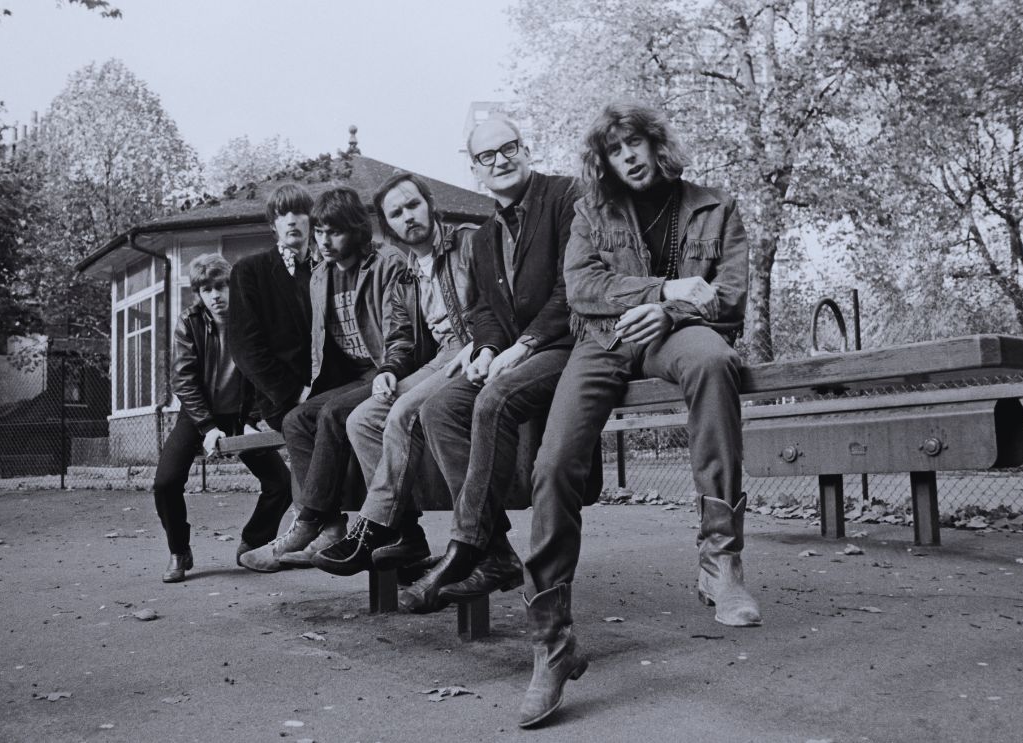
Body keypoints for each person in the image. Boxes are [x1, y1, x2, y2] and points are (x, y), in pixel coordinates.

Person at [517, 101, 758, 728]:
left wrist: (672, 313)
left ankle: (721, 560)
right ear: (603, 161)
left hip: (676, 336)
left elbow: (729, 299)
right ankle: (552, 641)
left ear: (657, 145)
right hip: (601, 341)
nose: (627, 157)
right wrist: (667, 289)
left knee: (714, 361)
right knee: (554, 463)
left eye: (636, 144)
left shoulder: (716, 206)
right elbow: (582, 290)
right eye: (613, 150)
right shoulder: (590, 212)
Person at [399, 116, 579, 614]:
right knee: (440, 408)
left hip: (569, 345)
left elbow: (574, 288)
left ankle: (464, 548)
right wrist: (483, 350)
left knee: (494, 400)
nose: (500, 161)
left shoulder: (567, 197)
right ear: (474, 168)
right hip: (514, 355)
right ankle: (496, 551)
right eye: (486, 156)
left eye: (509, 149)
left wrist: (521, 346)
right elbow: (484, 312)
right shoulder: (481, 238)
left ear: (526, 150)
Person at [238, 187, 414, 572]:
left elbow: (402, 332)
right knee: (297, 419)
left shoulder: (388, 262)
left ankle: (305, 524)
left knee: (334, 413)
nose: (323, 240)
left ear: (355, 229)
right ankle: (328, 524)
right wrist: (306, 391)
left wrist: (389, 370)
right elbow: (323, 345)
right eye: (319, 231)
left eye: (332, 231)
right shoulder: (321, 275)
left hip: (390, 369)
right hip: (353, 375)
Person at [311, 173, 477, 576]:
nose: (408, 217)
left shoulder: (469, 241)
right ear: (388, 225)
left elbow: (499, 300)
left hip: (477, 347)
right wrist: (387, 370)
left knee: (403, 413)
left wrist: (484, 342)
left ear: (430, 204)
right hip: (442, 355)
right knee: (362, 418)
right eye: (396, 213)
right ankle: (402, 532)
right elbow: (400, 334)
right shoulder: (406, 270)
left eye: (413, 205)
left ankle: (373, 527)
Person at [151, 254, 294, 583]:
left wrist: (253, 418)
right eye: (206, 289)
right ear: (198, 294)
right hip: (199, 415)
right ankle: (178, 551)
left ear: (233, 286)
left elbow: (265, 373)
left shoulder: (252, 319)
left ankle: (252, 544)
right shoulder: (189, 322)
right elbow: (183, 380)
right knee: (166, 482)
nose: (215, 295)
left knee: (281, 484)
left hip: (241, 414)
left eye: (221, 286)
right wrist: (208, 427)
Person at [226, 183, 316, 565]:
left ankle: (379, 534)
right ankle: (316, 525)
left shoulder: (327, 268)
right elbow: (246, 347)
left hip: (330, 385)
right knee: (309, 421)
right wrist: (293, 391)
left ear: (312, 221)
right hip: (282, 396)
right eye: (282, 213)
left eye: (299, 212)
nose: (291, 219)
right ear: (273, 224)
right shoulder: (251, 271)